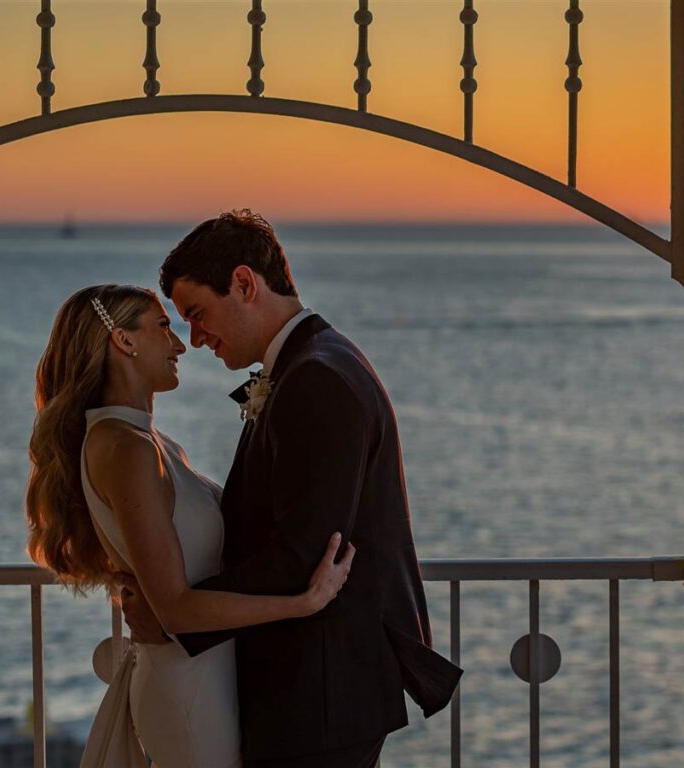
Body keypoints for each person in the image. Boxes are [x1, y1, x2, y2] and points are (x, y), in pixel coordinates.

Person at [121, 210, 462, 768]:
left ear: (245, 283)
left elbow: (305, 554)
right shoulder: (315, 362)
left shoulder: (317, 378)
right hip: (314, 688)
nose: (195, 338)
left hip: (318, 692)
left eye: (197, 314)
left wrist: (175, 615)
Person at [26, 283, 356, 768]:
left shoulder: (152, 444)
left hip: (205, 677)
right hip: (188, 692)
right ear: (124, 340)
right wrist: (302, 602)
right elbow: (176, 610)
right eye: (164, 327)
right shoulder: (127, 450)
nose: (181, 345)